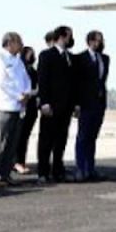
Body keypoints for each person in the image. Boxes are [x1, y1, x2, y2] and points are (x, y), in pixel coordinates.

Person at [0, 32, 34, 186]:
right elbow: (2, 82)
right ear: (10, 43)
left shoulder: (18, 61)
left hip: (17, 107)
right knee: (0, 143)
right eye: (18, 42)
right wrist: (18, 95)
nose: (21, 45)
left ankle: (5, 174)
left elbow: (26, 79)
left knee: (12, 143)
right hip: (3, 106)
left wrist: (27, 93)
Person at [36, 25, 77, 183]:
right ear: (62, 36)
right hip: (51, 106)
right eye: (69, 35)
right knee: (46, 140)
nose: (71, 39)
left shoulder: (70, 57)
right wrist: (44, 102)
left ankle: (58, 170)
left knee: (61, 139)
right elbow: (43, 79)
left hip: (65, 106)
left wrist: (75, 104)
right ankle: (43, 172)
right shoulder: (47, 55)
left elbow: (73, 84)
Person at [71, 30, 110, 182]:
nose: (100, 43)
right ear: (90, 42)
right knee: (82, 136)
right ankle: (81, 168)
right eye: (97, 40)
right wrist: (76, 104)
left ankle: (90, 168)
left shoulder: (105, 59)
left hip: (99, 103)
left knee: (92, 137)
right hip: (85, 103)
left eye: (101, 40)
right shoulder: (80, 58)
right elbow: (77, 83)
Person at [14, 45, 40, 174]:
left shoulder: (31, 71)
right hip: (23, 106)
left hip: (29, 107)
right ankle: (18, 162)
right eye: (31, 54)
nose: (33, 57)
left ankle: (18, 161)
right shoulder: (24, 71)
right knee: (21, 136)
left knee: (23, 136)